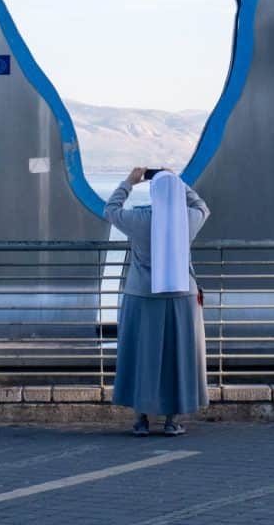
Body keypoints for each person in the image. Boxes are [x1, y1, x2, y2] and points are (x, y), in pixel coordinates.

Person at [104, 167, 211, 436]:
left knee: (142, 355)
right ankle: (171, 421)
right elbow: (202, 206)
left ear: (152, 192)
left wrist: (129, 182)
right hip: (182, 297)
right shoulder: (188, 218)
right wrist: (177, 180)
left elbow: (111, 210)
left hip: (142, 295)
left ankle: (141, 420)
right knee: (177, 356)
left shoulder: (140, 218)